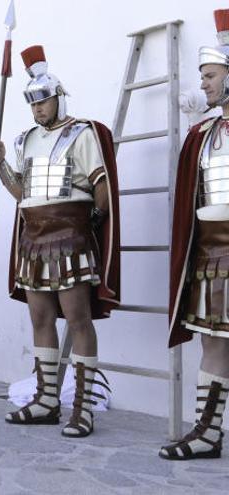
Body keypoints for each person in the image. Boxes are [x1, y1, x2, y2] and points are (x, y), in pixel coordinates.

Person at [0, 45, 120, 437]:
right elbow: (21, 192)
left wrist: (89, 225)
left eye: (43, 100)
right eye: (32, 103)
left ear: (57, 96)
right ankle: (46, 399)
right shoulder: (25, 139)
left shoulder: (82, 133)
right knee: (40, 318)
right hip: (34, 236)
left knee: (78, 320)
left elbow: (102, 187)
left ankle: (82, 406)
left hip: (69, 235)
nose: (38, 109)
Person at [163, 8, 229, 460]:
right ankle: (208, 431)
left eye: (210, 75)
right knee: (213, 338)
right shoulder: (203, 134)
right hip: (210, 250)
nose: (202, 82)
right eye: (202, 76)